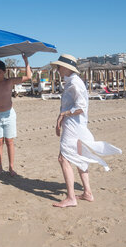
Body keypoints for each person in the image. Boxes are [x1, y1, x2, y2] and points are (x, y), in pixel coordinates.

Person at [51, 54, 122, 208]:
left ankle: (71, 197)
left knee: (63, 158)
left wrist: (63, 115)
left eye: (59, 66)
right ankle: (87, 193)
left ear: (67, 67)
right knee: (79, 157)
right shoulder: (72, 82)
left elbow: (80, 108)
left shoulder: (74, 84)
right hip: (77, 125)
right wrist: (61, 117)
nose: (57, 69)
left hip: (73, 127)